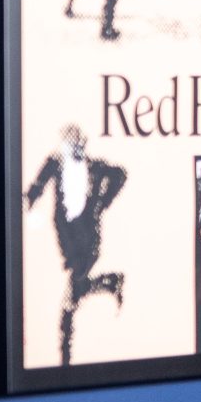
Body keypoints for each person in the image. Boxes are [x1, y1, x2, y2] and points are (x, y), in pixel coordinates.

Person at [24, 128, 126, 366]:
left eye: (78, 144)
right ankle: (111, 281)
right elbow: (37, 186)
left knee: (69, 303)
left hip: (88, 242)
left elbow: (121, 174)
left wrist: (103, 202)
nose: (74, 148)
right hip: (68, 240)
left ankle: (65, 356)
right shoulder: (55, 163)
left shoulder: (96, 167)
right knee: (76, 291)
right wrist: (27, 201)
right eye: (70, 145)